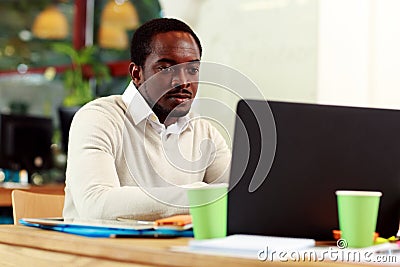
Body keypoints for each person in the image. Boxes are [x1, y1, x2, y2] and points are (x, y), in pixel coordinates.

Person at [63, 18, 231, 221]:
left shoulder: (204, 131)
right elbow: (96, 204)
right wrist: (197, 196)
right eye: (165, 69)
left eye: (192, 70)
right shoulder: (98, 118)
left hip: (173, 249)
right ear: (136, 73)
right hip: (96, 250)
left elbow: (239, 197)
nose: (183, 81)